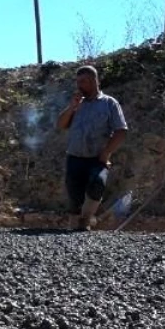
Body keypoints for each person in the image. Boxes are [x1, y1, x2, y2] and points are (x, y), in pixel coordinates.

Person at [57, 65, 128, 231]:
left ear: (94, 81)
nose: (80, 85)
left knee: (97, 184)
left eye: (84, 81)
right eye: (78, 82)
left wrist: (106, 152)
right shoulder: (76, 104)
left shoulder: (109, 103)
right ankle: (73, 228)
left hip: (97, 157)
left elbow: (121, 130)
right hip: (75, 156)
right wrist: (72, 107)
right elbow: (61, 124)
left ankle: (86, 220)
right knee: (74, 193)